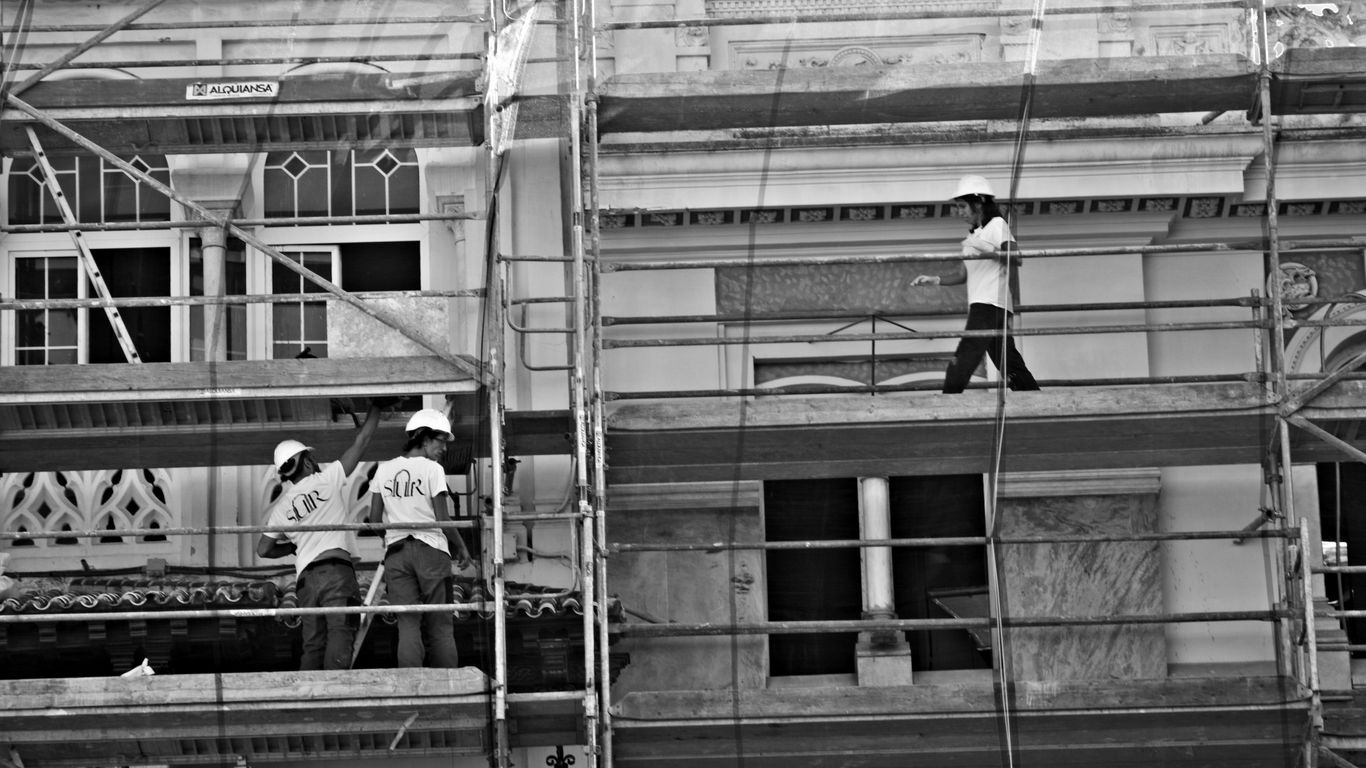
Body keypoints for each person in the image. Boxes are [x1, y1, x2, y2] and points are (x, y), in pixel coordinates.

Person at [258, 401, 383, 670]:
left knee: (313, 642)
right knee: (341, 632)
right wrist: (377, 407)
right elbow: (362, 442)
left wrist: (291, 550)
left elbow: (263, 549)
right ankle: (335, 692)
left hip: (306, 580)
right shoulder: (326, 480)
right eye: (310, 458)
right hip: (336, 573)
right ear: (305, 462)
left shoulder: (281, 509)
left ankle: (310, 699)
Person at [911, 174, 1040, 394]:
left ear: (978, 202)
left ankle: (948, 399)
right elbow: (963, 274)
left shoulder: (997, 225)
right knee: (1006, 360)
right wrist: (936, 280)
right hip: (988, 304)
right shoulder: (975, 235)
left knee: (965, 356)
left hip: (989, 303)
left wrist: (986, 249)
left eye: (963, 206)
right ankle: (1032, 397)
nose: (960, 212)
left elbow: (1015, 258)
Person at [368, 408, 472, 668]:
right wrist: (462, 548)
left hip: (397, 554)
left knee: (408, 624)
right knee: (440, 624)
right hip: (431, 550)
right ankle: (447, 688)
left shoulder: (384, 469)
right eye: (440, 442)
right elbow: (441, 519)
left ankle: (412, 688)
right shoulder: (432, 469)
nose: (443, 449)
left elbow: (373, 519)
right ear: (424, 439)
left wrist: (391, 536)